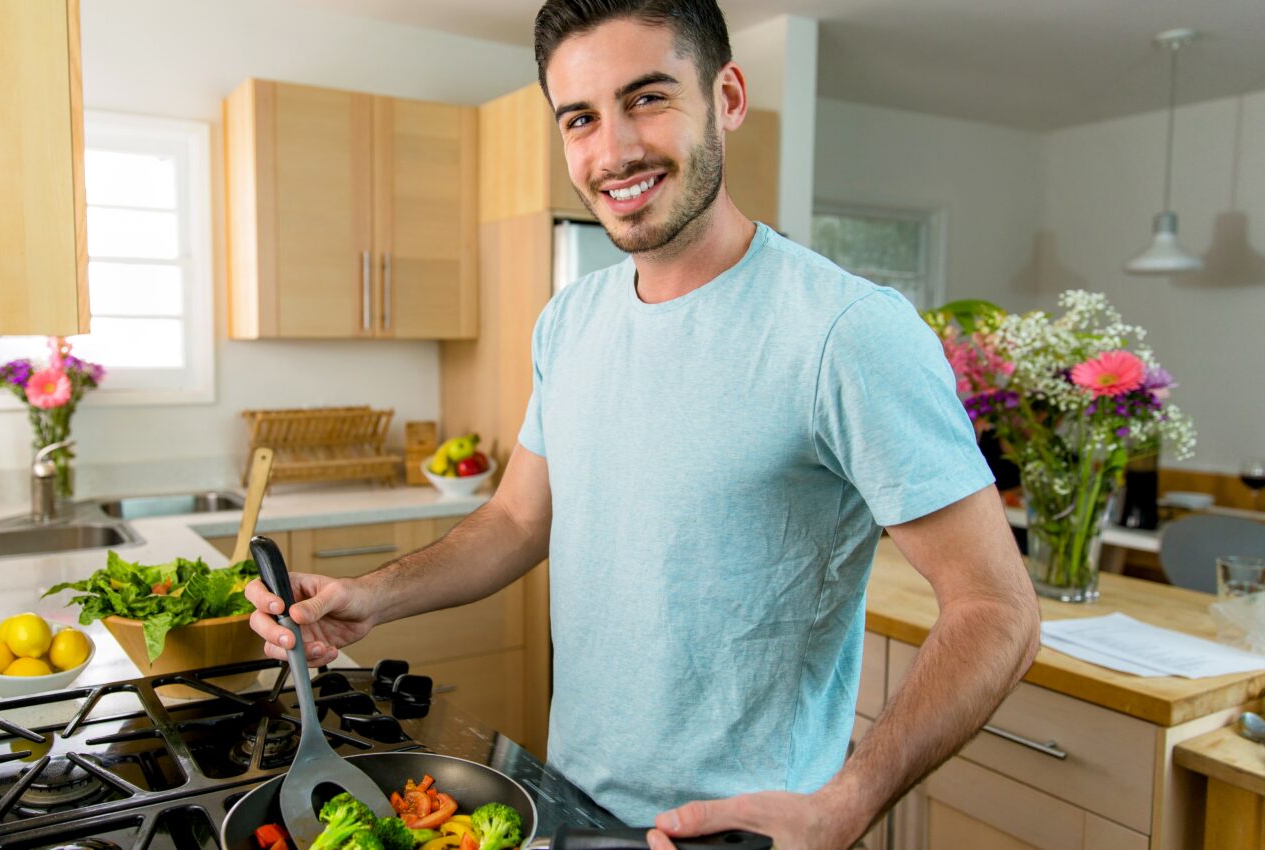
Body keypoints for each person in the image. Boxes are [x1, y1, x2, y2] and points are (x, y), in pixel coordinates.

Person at [245, 1, 1040, 847]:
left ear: (727, 96)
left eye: (648, 98)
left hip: (739, 831)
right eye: (580, 118)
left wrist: (847, 802)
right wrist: (369, 598)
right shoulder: (571, 320)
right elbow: (518, 519)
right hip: (568, 802)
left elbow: (997, 610)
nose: (613, 151)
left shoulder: (845, 333)